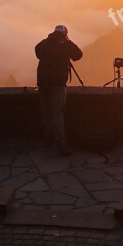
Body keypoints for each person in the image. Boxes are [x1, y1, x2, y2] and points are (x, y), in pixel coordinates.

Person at [35, 24, 83, 155]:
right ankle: (60, 143)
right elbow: (78, 55)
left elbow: (37, 52)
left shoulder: (44, 43)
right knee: (57, 114)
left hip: (42, 82)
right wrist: (67, 41)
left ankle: (48, 139)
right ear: (65, 34)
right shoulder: (66, 44)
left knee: (46, 113)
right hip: (57, 84)